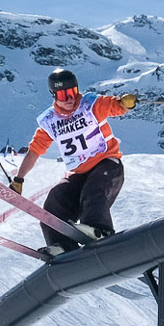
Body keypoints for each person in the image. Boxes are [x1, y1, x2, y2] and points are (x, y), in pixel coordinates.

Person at [11, 68, 136, 257]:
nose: (69, 99)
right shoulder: (50, 121)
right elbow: (35, 150)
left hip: (107, 165)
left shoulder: (90, 105)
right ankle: (62, 245)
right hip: (79, 173)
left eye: (72, 92)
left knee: (94, 190)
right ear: (54, 95)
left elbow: (114, 106)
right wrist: (19, 179)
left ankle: (99, 229)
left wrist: (125, 103)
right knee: (56, 198)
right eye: (63, 94)